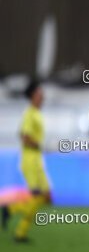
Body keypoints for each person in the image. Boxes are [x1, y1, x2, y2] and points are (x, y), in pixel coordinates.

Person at [1, 80, 52, 242]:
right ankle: (19, 231)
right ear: (32, 96)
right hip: (30, 160)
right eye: (39, 92)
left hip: (37, 160)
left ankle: (11, 210)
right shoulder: (29, 113)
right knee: (38, 195)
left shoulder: (37, 113)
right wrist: (40, 144)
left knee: (46, 197)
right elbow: (24, 137)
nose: (42, 95)